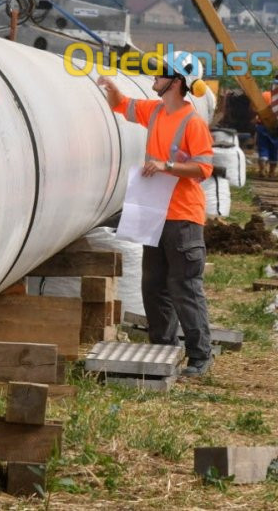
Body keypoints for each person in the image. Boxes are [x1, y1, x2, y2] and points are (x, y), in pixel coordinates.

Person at [98, 51, 215, 377]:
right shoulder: (158, 111)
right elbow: (124, 105)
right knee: (153, 286)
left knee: (184, 286)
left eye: (161, 73)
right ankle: (163, 350)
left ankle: (200, 357)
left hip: (182, 217)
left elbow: (204, 168)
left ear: (177, 82)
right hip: (155, 214)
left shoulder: (193, 124)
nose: (155, 77)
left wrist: (168, 166)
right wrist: (111, 87)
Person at [255, 88, 278, 178]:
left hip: (262, 124)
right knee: (274, 148)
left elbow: (255, 107)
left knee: (263, 147)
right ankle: (272, 172)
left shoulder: (264, 95)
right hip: (275, 126)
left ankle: (262, 169)